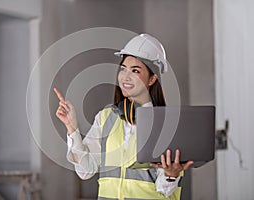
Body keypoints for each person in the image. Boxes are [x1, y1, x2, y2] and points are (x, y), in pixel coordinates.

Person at [54, 33, 194, 200]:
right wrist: (72, 128)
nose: (125, 77)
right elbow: (85, 170)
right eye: (123, 69)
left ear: (152, 79)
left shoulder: (166, 123)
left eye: (135, 70)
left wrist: (171, 175)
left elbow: (164, 190)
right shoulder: (106, 117)